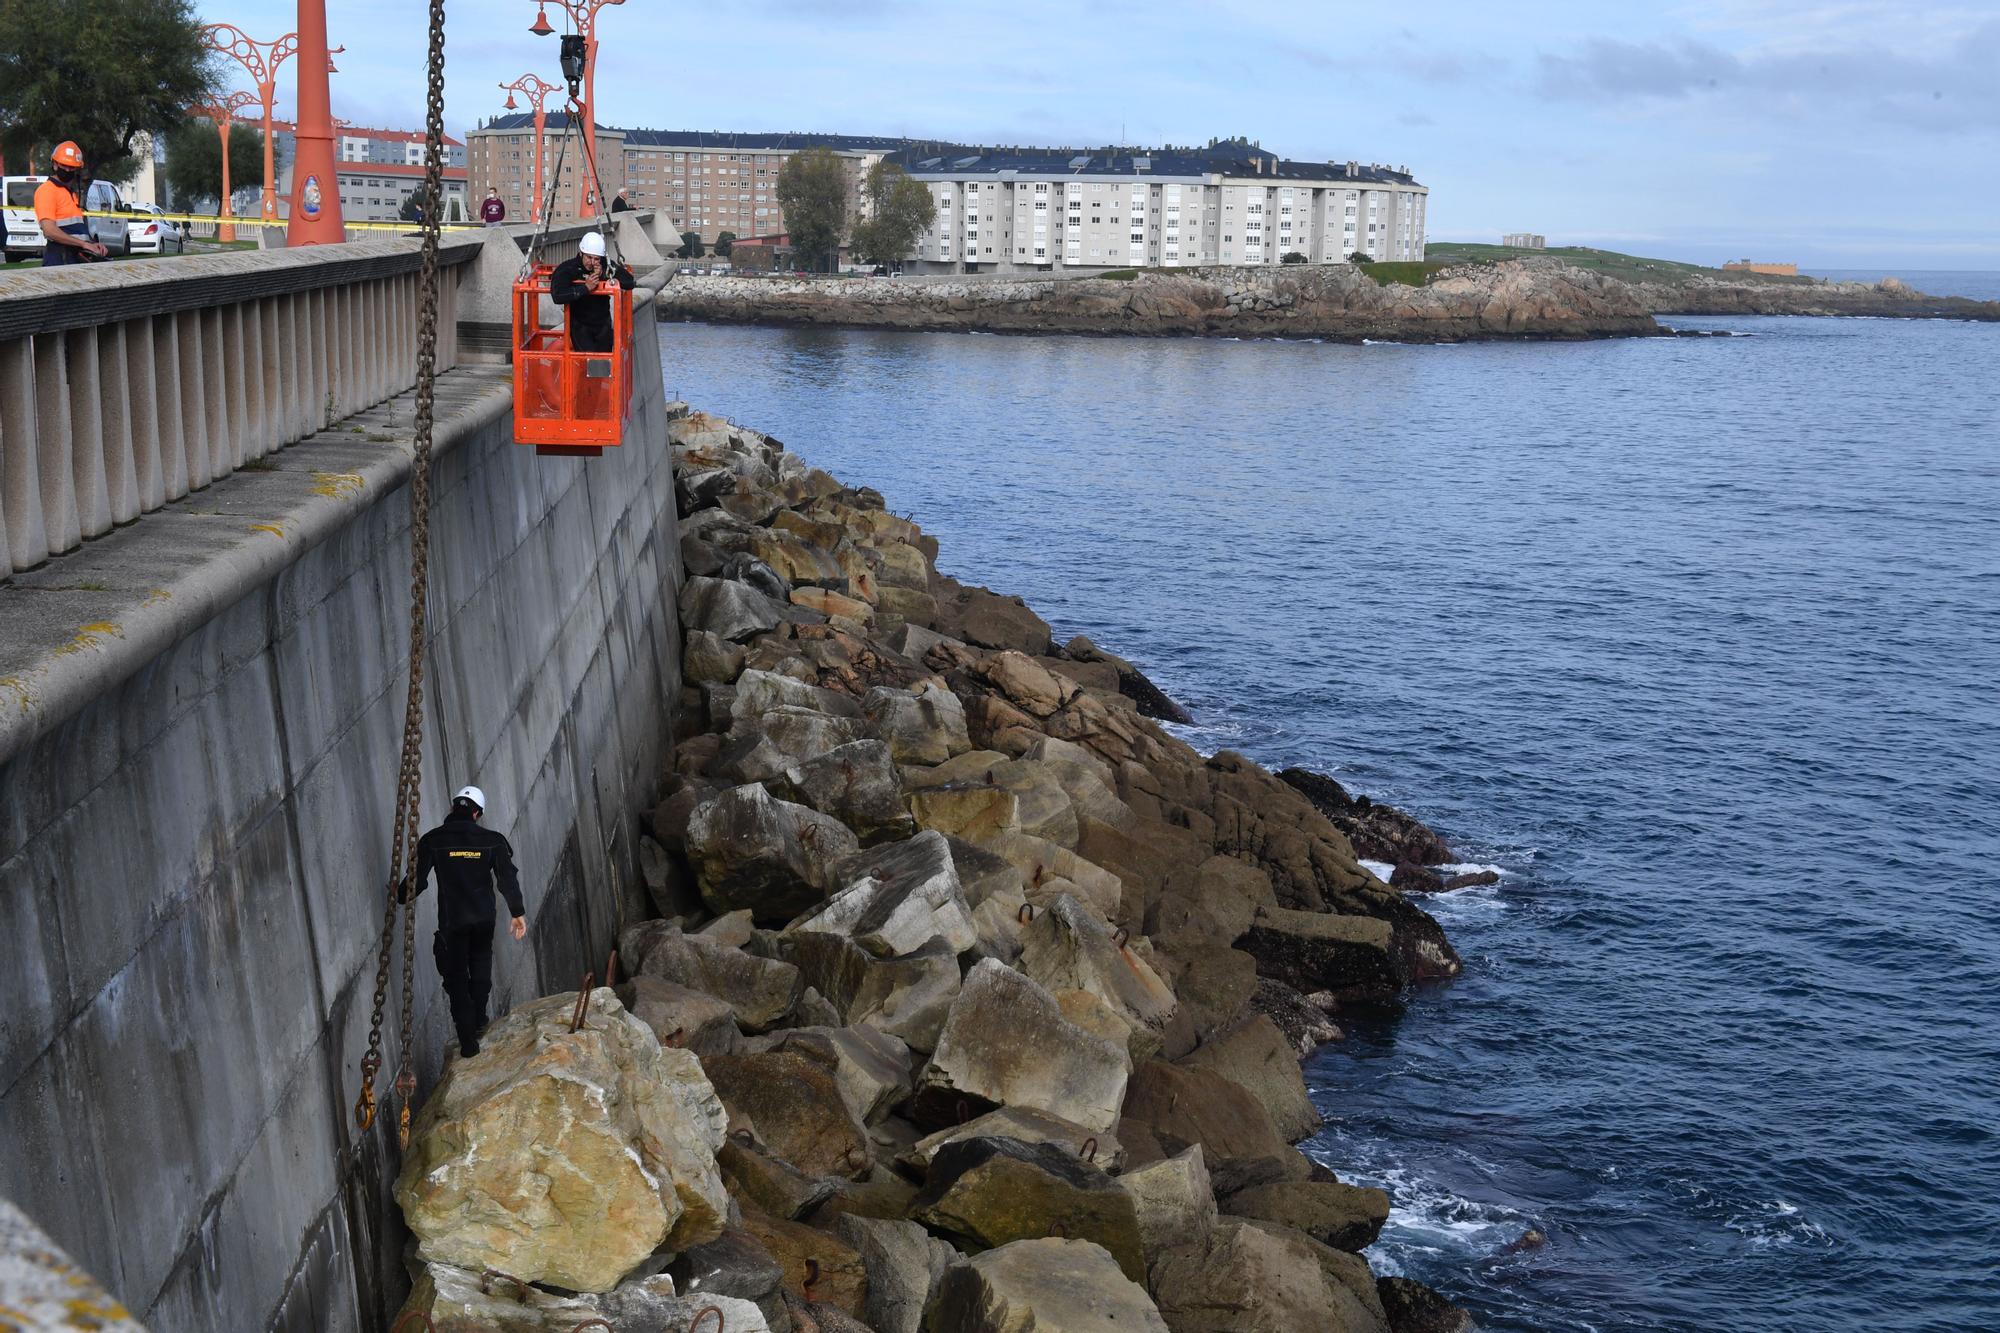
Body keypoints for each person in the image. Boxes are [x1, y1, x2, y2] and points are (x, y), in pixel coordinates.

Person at [407, 785, 526, 1058]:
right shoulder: (493, 840)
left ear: (453, 808)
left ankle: (468, 1043)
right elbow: (507, 879)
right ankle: (480, 1017)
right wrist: (517, 912)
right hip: (483, 919)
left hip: (452, 922)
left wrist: (399, 895)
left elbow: (417, 883)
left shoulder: (432, 840)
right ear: (477, 813)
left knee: (457, 979)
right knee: (481, 964)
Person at [549, 231, 635, 352]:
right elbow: (557, 295)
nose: (592, 262)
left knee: (604, 363)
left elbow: (630, 282)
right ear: (581, 253)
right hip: (580, 325)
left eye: (596, 259)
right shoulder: (569, 268)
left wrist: (604, 274)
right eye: (589, 257)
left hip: (602, 324)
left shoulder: (605, 265)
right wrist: (585, 288)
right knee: (587, 360)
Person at [35, 141, 107, 266]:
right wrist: (84, 244)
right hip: (59, 259)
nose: (67, 170)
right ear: (55, 165)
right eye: (64, 165)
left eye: (71, 167)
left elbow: (74, 230)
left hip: (74, 258)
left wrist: (91, 244)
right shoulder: (47, 190)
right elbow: (49, 230)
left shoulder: (70, 193)